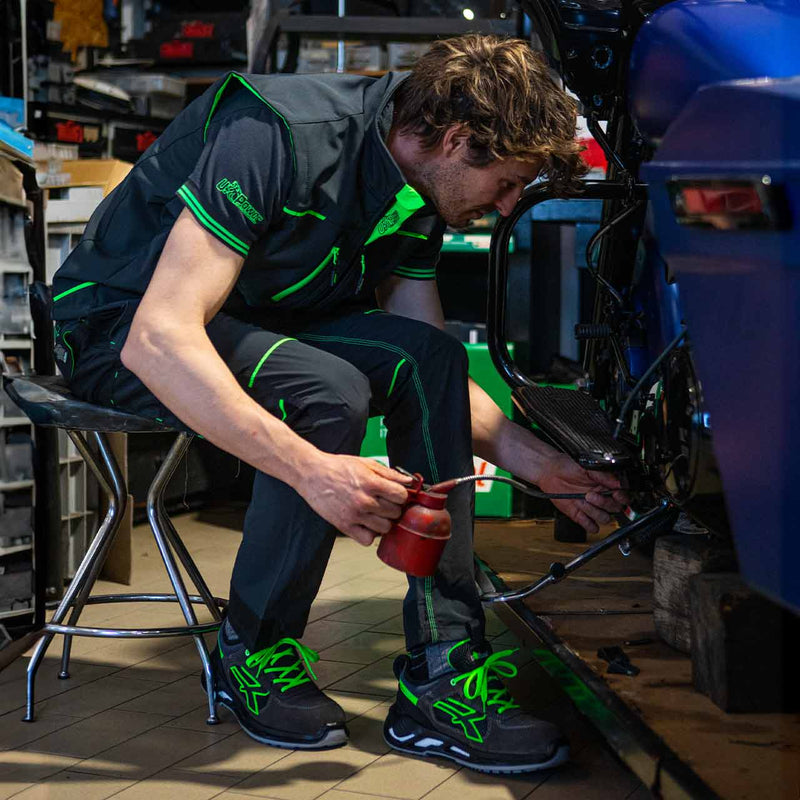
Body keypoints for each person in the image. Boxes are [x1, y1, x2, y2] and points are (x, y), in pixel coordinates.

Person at [51, 34, 627, 773]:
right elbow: (160, 337)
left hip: (259, 321)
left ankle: (443, 672)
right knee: (327, 390)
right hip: (119, 326)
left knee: (433, 359)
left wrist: (539, 463)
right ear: (457, 139)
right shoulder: (276, 133)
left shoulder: (419, 190)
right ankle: (253, 653)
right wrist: (312, 472)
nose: (508, 204)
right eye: (509, 182)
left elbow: (425, 356)